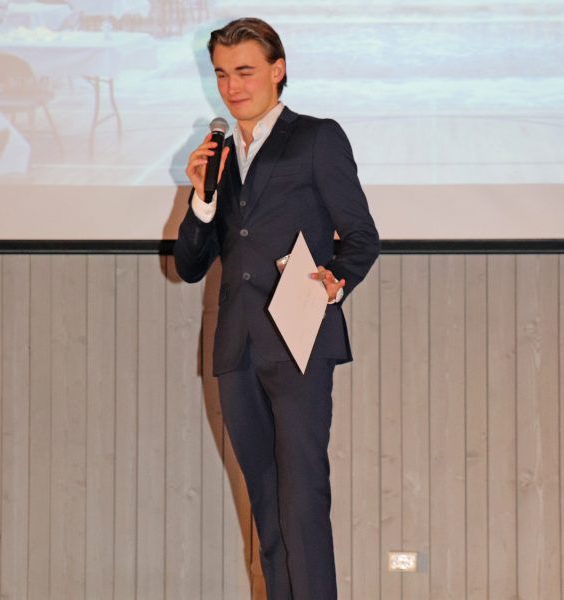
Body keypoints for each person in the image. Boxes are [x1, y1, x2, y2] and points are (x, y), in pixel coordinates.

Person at [174, 17, 379, 600]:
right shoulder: (217, 157)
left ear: (277, 70)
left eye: (244, 71)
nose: (232, 87)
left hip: (299, 334)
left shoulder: (316, 138)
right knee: (266, 503)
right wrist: (202, 200)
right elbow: (189, 264)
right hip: (236, 346)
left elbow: (361, 237)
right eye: (221, 74)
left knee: (302, 498)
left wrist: (334, 281)